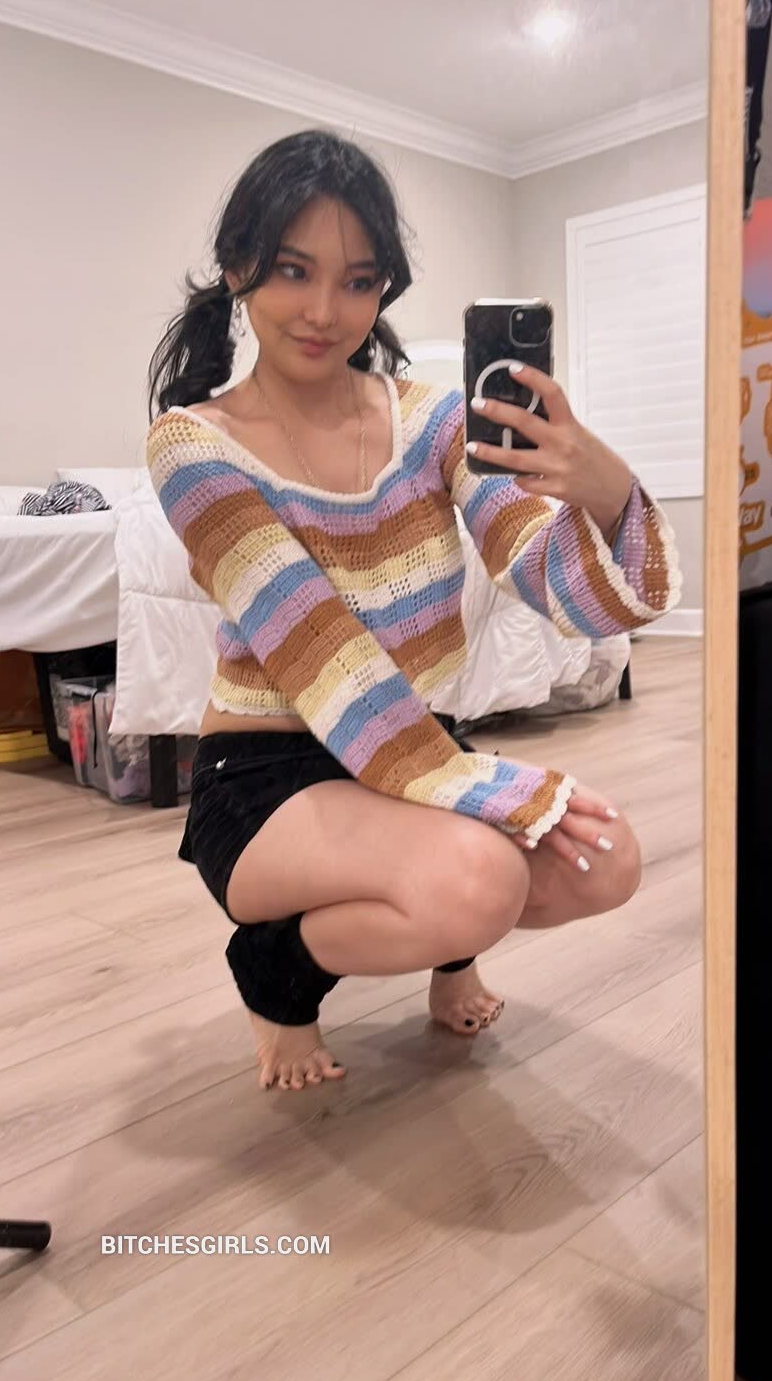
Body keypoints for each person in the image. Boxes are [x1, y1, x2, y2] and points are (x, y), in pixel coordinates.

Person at [146, 129, 681, 1093]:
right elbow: (319, 651)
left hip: (411, 749)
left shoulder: (436, 420)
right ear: (237, 266)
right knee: (481, 877)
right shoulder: (193, 445)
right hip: (263, 776)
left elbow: (574, 596)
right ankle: (275, 974)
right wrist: (488, 788)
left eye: (357, 282)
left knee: (608, 859)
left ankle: (447, 938)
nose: (324, 311)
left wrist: (606, 493)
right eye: (293, 271)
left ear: (382, 290)